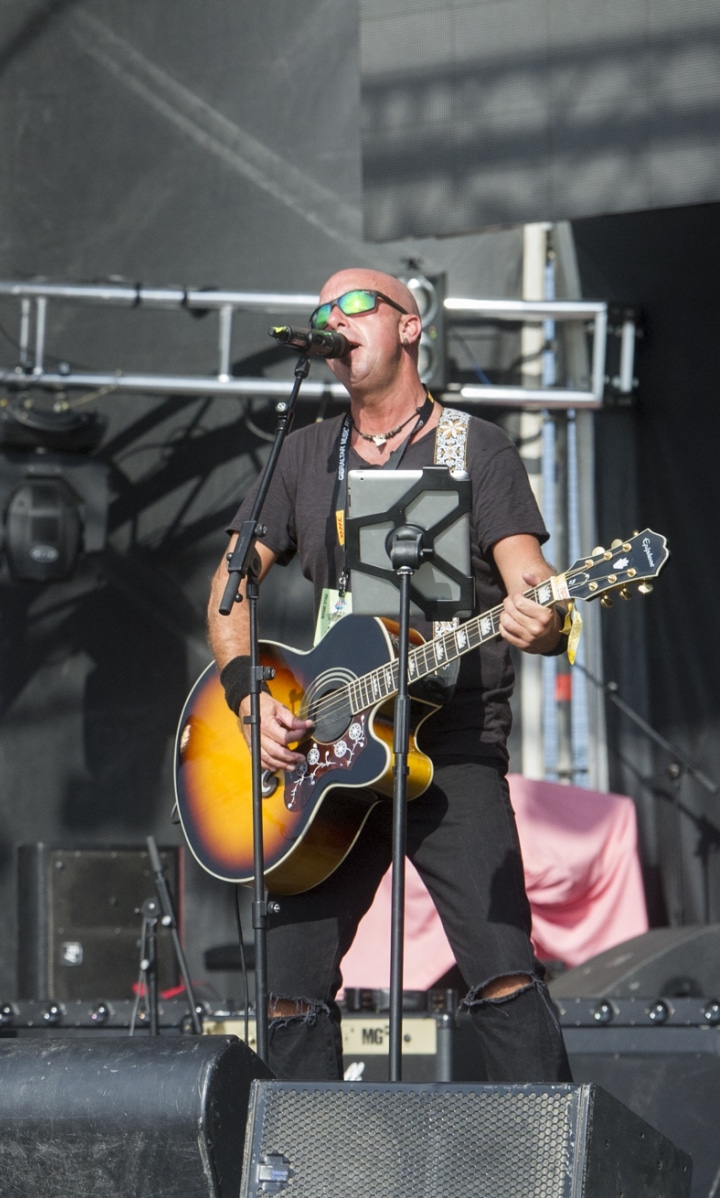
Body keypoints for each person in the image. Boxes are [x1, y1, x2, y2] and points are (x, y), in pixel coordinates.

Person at [206, 268, 574, 1082]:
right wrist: (247, 697)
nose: (334, 320)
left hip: (450, 744)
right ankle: (303, 1149)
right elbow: (229, 590)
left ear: (410, 327)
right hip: (330, 750)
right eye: (323, 311)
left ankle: (551, 1142)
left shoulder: (475, 446)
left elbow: (532, 581)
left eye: (355, 305)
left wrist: (545, 619)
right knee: (288, 994)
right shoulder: (302, 454)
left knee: (503, 972)